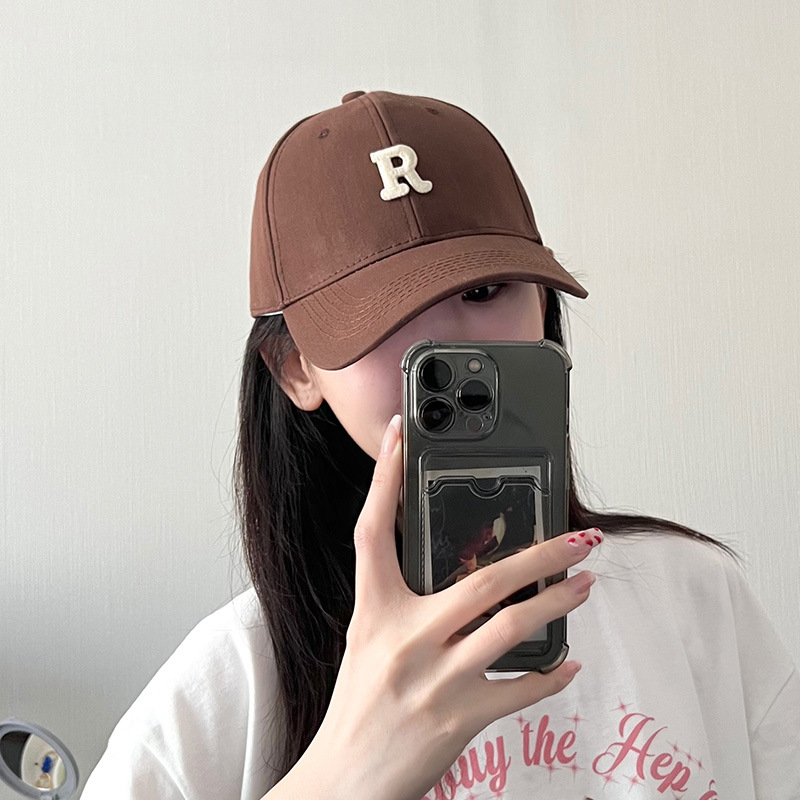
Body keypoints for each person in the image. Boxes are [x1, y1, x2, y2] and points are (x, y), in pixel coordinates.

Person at [80, 90, 800, 800]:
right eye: (381, 313)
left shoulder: (694, 600)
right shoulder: (225, 689)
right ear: (296, 369)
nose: (452, 347)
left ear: (544, 308)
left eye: (484, 292)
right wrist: (339, 777)